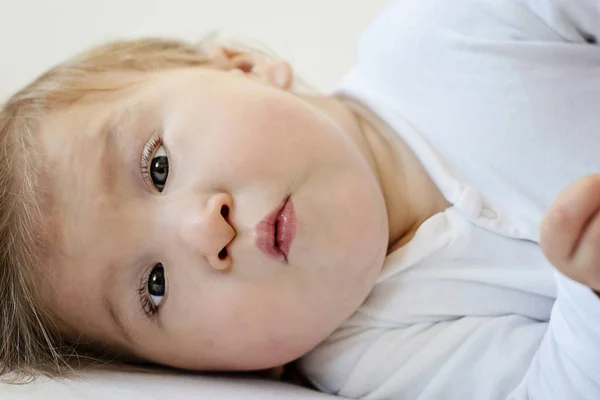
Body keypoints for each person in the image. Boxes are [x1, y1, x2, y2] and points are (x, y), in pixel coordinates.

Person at [1, 0, 599, 398]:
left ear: (244, 67)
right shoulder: (371, 357)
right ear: (236, 371)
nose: (205, 232)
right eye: (154, 286)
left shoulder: (444, 36)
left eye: (158, 166)